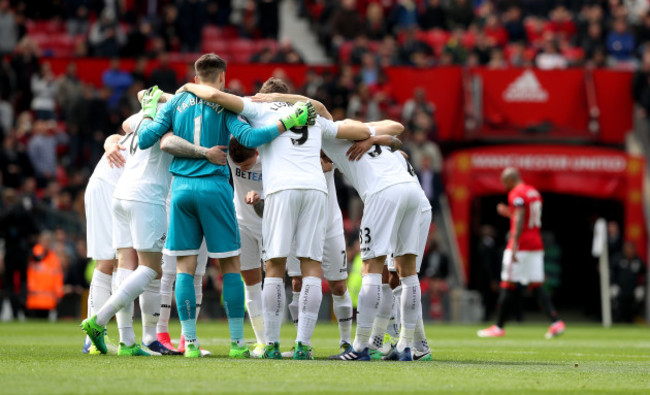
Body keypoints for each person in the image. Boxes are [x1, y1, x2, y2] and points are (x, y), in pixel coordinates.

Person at [136, 54, 315, 358]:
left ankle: (189, 343)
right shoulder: (226, 103)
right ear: (221, 79)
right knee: (231, 265)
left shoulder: (177, 102)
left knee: (185, 268)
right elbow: (250, 137)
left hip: (180, 189)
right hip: (215, 188)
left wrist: (150, 112)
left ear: (196, 79)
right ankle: (237, 343)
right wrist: (286, 123)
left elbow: (145, 139)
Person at [179, 76, 367, 360]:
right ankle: (303, 345)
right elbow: (359, 128)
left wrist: (188, 87)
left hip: (281, 189)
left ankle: (272, 344)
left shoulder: (259, 110)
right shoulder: (311, 112)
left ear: (263, 96)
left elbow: (217, 97)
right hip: (316, 190)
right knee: (311, 267)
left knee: (275, 267)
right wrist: (372, 136)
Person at [478, 167, 566, 339]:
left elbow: (520, 215)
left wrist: (515, 241)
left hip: (521, 245)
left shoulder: (516, 193)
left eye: (505, 184)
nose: (506, 188)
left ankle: (498, 327)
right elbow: (524, 216)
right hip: (536, 244)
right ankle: (556, 322)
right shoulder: (534, 192)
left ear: (510, 180)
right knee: (536, 285)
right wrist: (509, 213)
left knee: (507, 283)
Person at [284, 151, 354, 357]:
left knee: (339, 285)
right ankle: (301, 343)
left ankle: (346, 344)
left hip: (330, 224)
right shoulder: (289, 146)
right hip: (299, 225)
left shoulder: (322, 141)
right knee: (297, 282)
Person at [225, 138, 267, 358]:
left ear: (257, 151)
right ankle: (262, 342)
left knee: (275, 281)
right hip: (243, 224)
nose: (241, 169)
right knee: (251, 283)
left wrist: (262, 198)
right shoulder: (233, 155)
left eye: (247, 165)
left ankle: (279, 341)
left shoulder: (271, 157)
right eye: (238, 166)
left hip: (272, 225)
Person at [610, 241, 646, 323]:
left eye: (631, 249)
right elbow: (612, 272)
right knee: (617, 304)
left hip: (633, 289)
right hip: (619, 288)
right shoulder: (617, 259)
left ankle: (633, 320)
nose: (629, 251)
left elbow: (645, 274)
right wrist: (613, 284)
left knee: (636, 304)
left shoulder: (638, 261)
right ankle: (616, 321)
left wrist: (641, 286)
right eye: (627, 249)